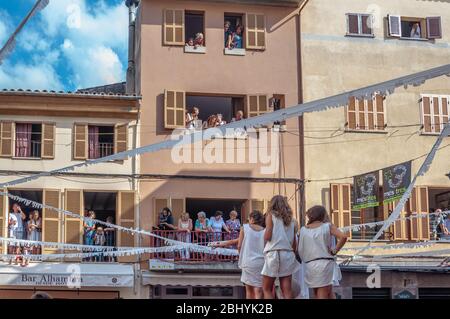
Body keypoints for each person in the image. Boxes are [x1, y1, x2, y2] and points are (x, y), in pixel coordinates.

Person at [298, 205, 348, 299]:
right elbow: (343, 237)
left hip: (309, 265)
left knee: (318, 293)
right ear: (322, 215)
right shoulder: (327, 226)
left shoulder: (303, 230)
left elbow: (300, 249)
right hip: (324, 263)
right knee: (325, 293)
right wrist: (334, 251)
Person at [262, 195, 299, 299]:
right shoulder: (292, 220)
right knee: (287, 290)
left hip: (273, 253)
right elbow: (294, 243)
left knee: (266, 289)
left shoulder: (271, 215)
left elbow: (267, 236)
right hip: (288, 254)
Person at [238, 210, 265, 299]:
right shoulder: (265, 231)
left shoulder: (244, 228)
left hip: (247, 262)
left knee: (249, 290)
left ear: (252, 218)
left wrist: (241, 255)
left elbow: (239, 246)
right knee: (258, 290)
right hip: (261, 263)